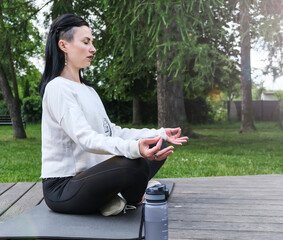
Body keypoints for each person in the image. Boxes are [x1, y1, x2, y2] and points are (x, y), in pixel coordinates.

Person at [39, 14, 188, 215]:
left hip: (94, 177)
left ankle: (113, 196)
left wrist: (158, 134)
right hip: (64, 188)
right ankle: (131, 195)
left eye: (92, 42)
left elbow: (112, 131)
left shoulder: (88, 91)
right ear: (63, 45)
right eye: (86, 42)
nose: (93, 48)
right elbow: (85, 138)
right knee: (133, 166)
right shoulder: (57, 88)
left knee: (156, 146)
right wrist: (134, 148)